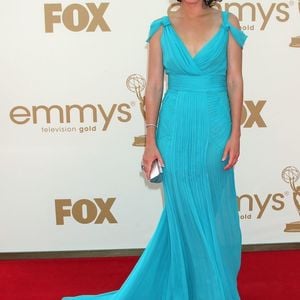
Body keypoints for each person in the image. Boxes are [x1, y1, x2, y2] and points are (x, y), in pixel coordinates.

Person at [62, 0, 248, 299]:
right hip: (174, 127)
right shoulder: (161, 27)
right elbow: (153, 86)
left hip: (215, 124)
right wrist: (150, 140)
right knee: (182, 207)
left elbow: (235, 80)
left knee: (211, 206)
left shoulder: (229, 23)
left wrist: (236, 132)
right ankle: (186, 285)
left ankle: (211, 284)